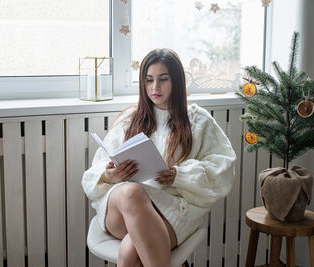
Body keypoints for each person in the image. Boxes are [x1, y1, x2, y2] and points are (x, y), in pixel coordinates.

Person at [82, 48, 236, 267]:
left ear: (176, 81)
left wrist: (178, 176)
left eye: (163, 79)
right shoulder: (130, 120)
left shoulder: (198, 121)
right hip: (121, 209)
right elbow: (93, 173)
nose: (155, 87)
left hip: (171, 211)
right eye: (149, 80)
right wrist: (108, 176)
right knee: (131, 192)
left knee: (131, 252)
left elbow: (223, 171)